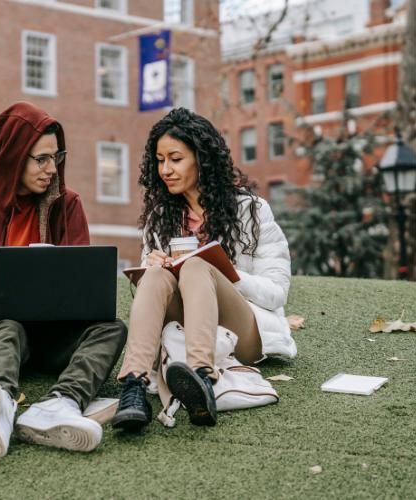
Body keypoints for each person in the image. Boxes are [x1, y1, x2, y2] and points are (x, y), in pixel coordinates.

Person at [0, 102, 127, 456]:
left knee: (113, 327)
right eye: (41, 159)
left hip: (53, 335)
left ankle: (61, 404)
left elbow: (83, 287)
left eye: (57, 157)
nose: (52, 169)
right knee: (7, 327)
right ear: (12, 157)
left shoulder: (68, 205)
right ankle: (0, 406)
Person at [111, 107, 296, 431]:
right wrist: (151, 266)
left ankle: (201, 376)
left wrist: (221, 270)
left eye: (175, 159)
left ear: (202, 159)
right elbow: (154, 296)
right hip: (180, 328)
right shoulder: (160, 217)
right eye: (159, 160)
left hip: (242, 331)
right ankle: (134, 385)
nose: (165, 169)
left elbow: (277, 293)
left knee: (197, 265)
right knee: (155, 274)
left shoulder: (251, 211)